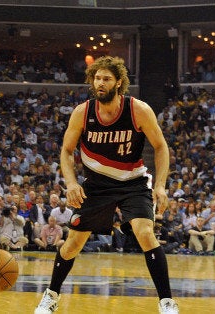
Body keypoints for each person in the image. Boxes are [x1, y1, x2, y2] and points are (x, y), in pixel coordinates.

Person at [34, 56, 178, 314]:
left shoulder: (138, 110)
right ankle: (51, 296)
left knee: (145, 233)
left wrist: (161, 185)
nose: (100, 83)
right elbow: (66, 152)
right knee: (73, 244)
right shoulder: (83, 112)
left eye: (106, 79)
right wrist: (70, 182)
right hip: (96, 185)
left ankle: (166, 302)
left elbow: (160, 147)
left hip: (132, 182)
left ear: (119, 82)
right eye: (97, 78)